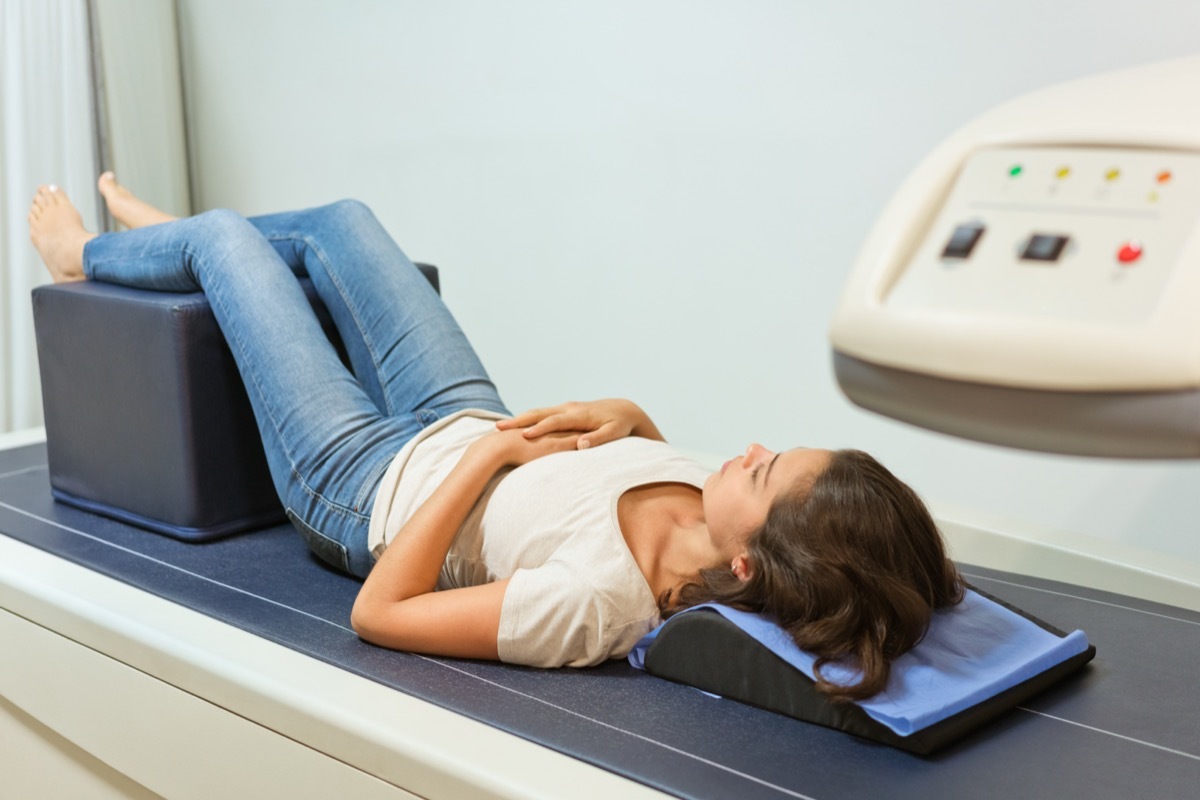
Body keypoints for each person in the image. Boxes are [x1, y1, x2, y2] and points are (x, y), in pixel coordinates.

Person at [28, 176, 963, 701]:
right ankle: (199, 253)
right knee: (345, 220)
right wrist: (632, 417)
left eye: (762, 473)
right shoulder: (711, 518)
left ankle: (109, 255)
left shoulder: (599, 606)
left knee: (228, 238)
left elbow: (382, 613)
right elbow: (628, 477)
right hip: (470, 412)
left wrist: (484, 460)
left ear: (750, 564)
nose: (751, 449)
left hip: (364, 482)